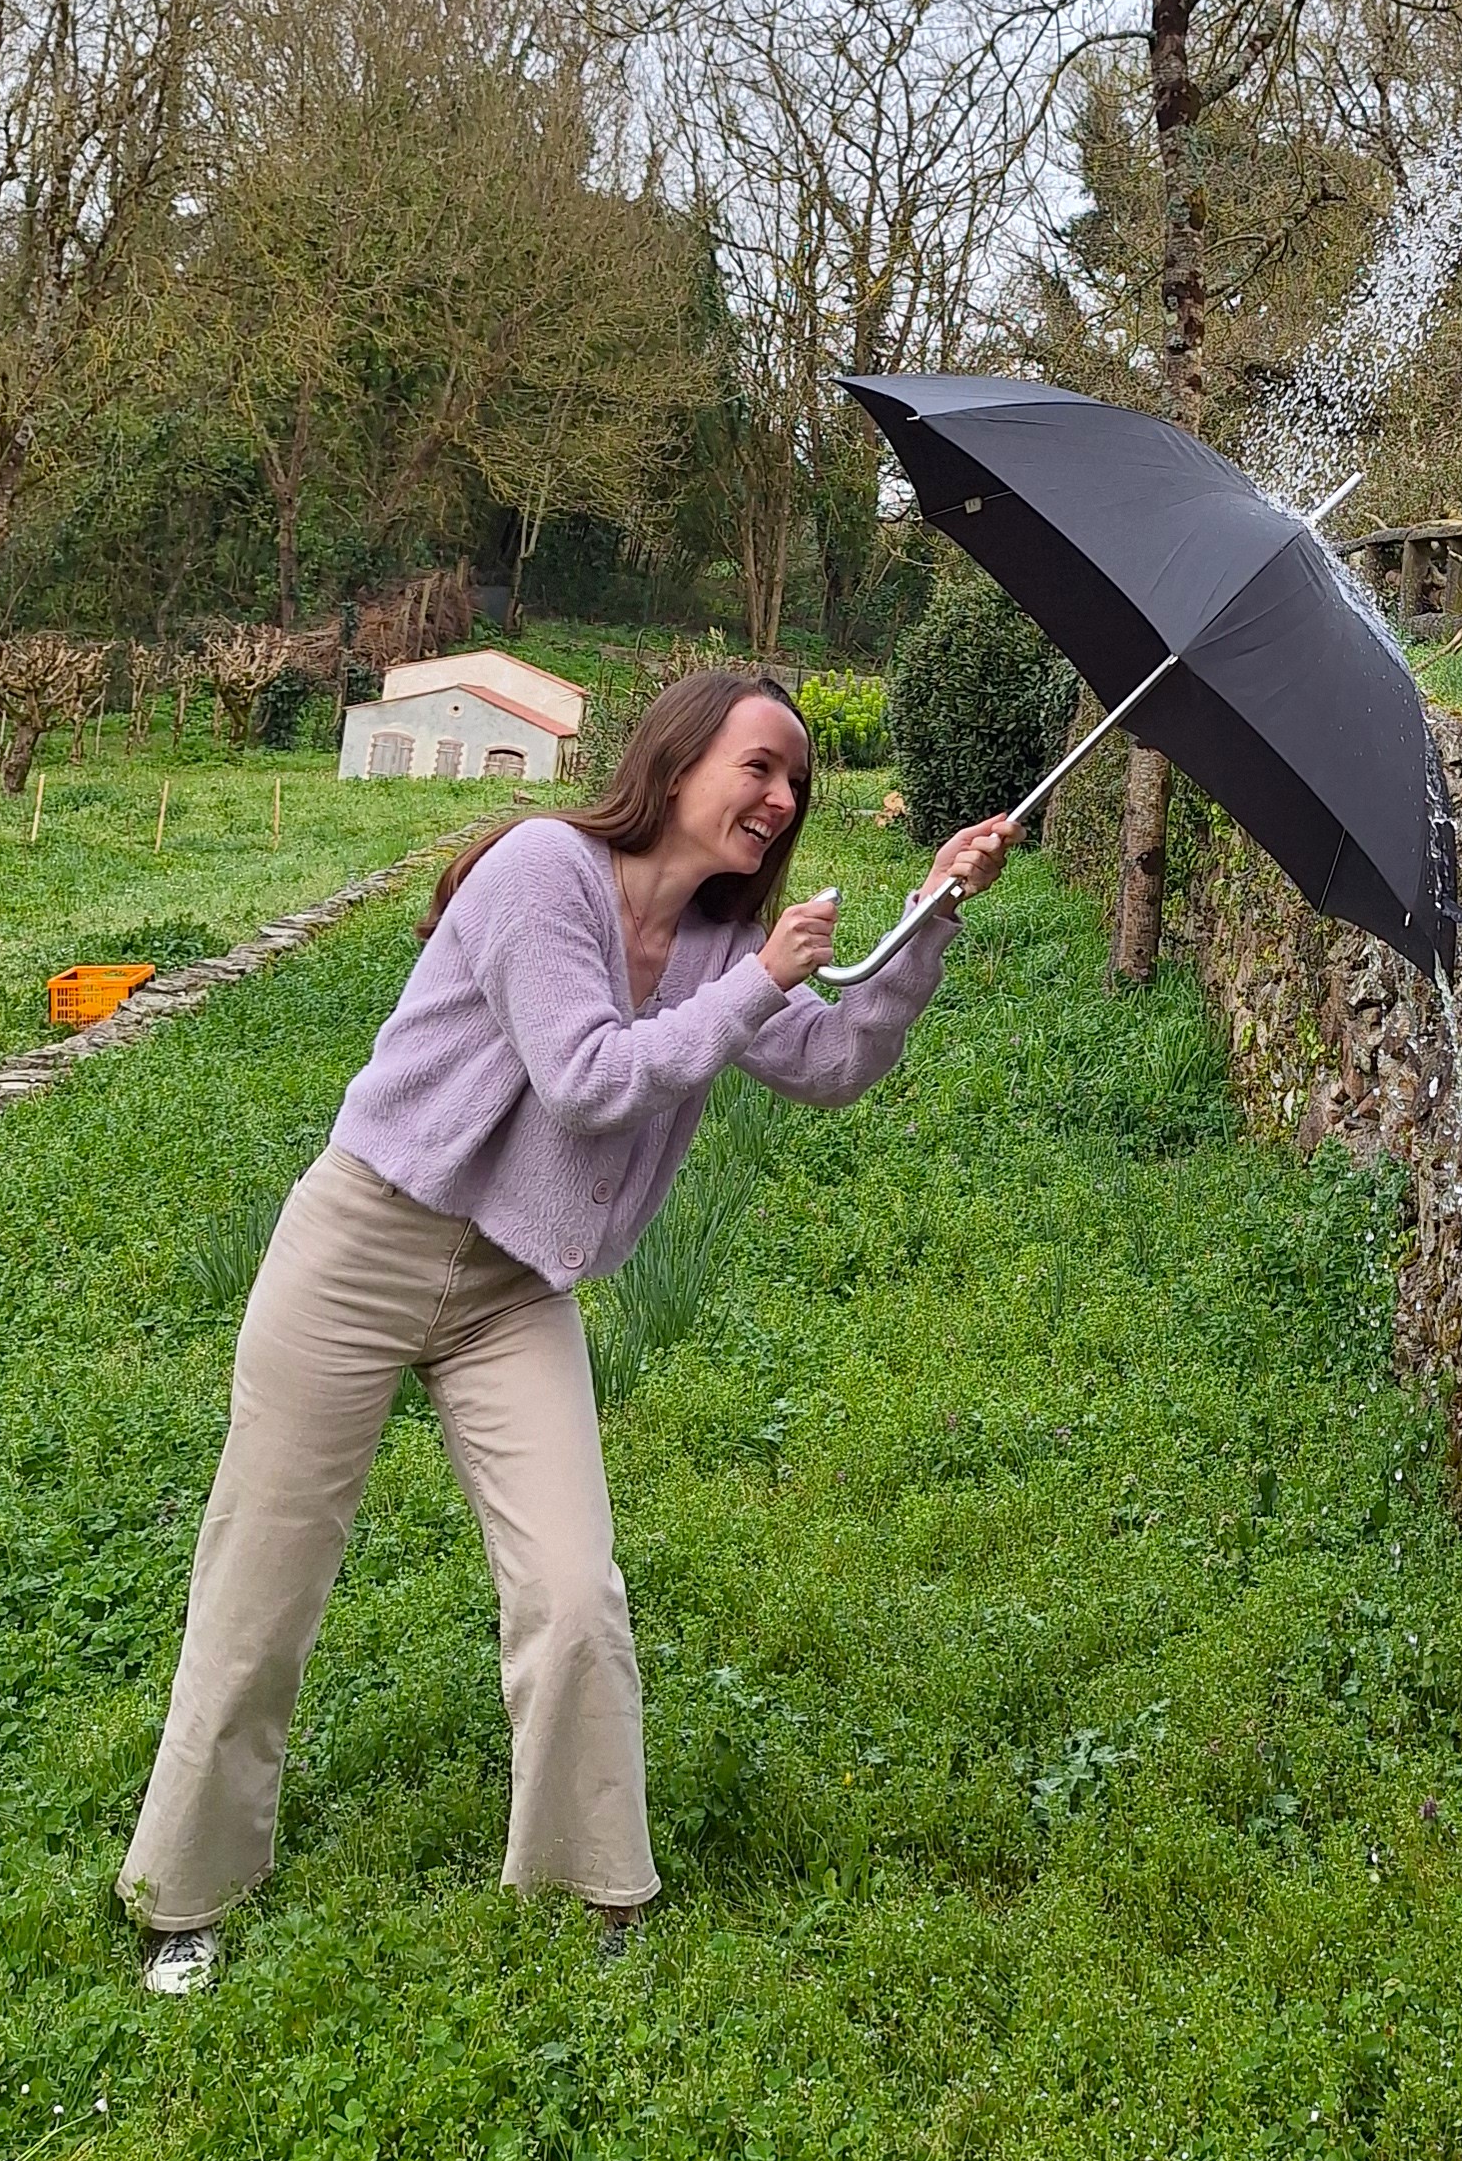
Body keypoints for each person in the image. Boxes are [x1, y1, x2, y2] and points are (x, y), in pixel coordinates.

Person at [118, 668, 1009, 1992]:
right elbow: (588, 1080)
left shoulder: (717, 944)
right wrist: (762, 981)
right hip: (363, 1249)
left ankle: (585, 1891)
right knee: (264, 1581)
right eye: (760, 766)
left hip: (513, 1290)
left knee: (575, 1590)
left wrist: (930, 915)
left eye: (798, 783)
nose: (782, 798)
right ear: (677, 758)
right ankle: (185, 1893)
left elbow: (832, 1066)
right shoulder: (542, 868)